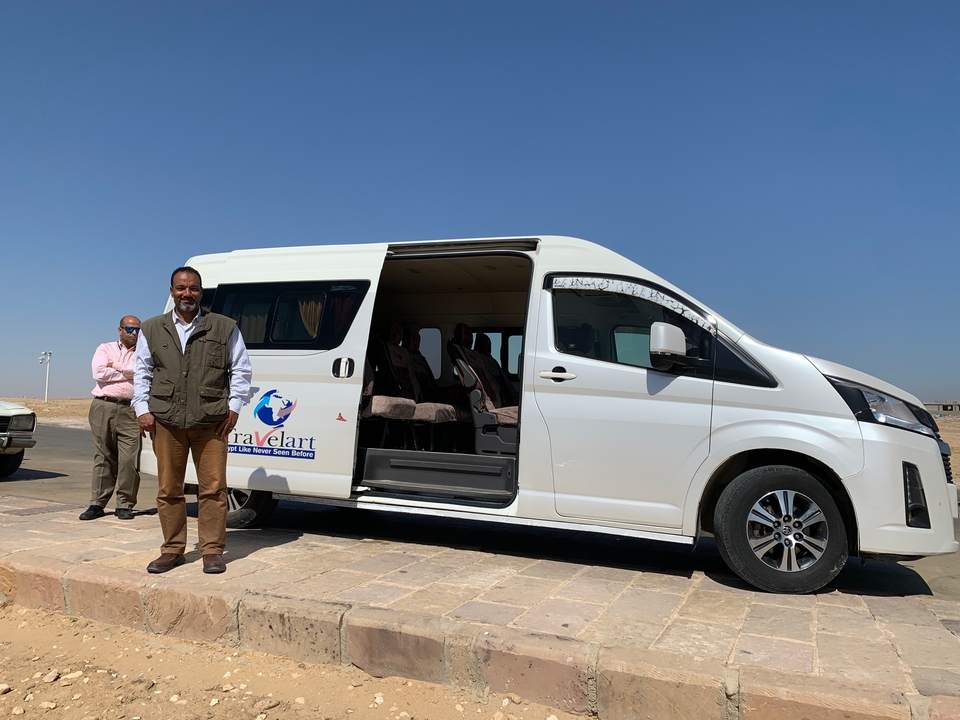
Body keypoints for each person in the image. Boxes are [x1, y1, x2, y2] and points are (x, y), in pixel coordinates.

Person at [133, 267, 252, 574]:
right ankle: (172, 549)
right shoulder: (151, 328)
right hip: (166, 421)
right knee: (168, 489)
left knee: (213, 489)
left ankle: (212, 550)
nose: (187, 293)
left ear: (202, 292)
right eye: (181, 288)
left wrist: (235, 408)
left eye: (193, 288)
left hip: (211, 422)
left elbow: (240, 370)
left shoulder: (224, 327)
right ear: (172, 291)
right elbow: (142, 372)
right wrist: (142, 409)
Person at [80, 316, 143, 521]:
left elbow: (141, 374)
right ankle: (97, 503)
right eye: (129, 329)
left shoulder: (144, 351)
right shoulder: (104, 348)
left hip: (131, 409)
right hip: (103, 406)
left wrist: (115, 366)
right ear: (120, 330)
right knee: (103, 456)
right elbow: (99, 373)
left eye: (137, 330)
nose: (134, 333)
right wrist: (127, 372)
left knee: (129, 459)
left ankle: (125, 504)